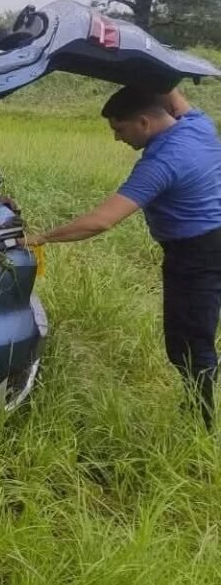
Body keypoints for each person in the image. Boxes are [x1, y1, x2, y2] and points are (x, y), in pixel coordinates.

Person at [28, 86, 221, 427]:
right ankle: (198, 408)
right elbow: (172, 94)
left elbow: (101, 221)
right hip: (211, 240)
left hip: (196, 255)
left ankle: (201, 421)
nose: (117, 139)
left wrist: (42, 237)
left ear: (144, 122)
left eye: (119, 129)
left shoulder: (160, 164)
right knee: (195, 334)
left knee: (189, 342)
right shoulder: (197, 124)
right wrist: (145, 74)